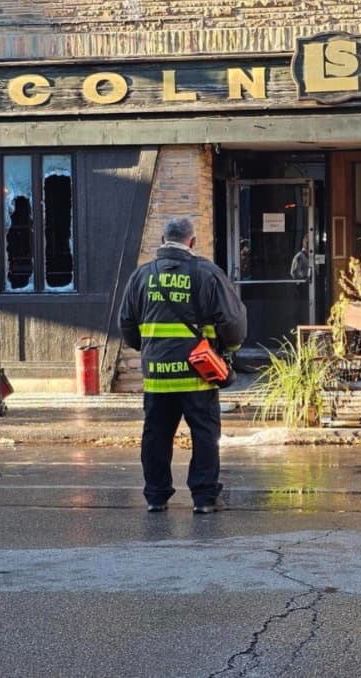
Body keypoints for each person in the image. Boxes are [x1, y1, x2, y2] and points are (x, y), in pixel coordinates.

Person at [118, 216, 246, 514]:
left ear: (162, 241)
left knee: (156, 435)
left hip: (158, 377)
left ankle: (156, 497)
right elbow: (232, 321)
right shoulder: (207, 274)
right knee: (204, 435)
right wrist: (230, 349)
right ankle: (203, 498)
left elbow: (126, 324)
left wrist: (147, 347)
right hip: (199, 374)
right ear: (192, 242)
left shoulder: (141, 276)